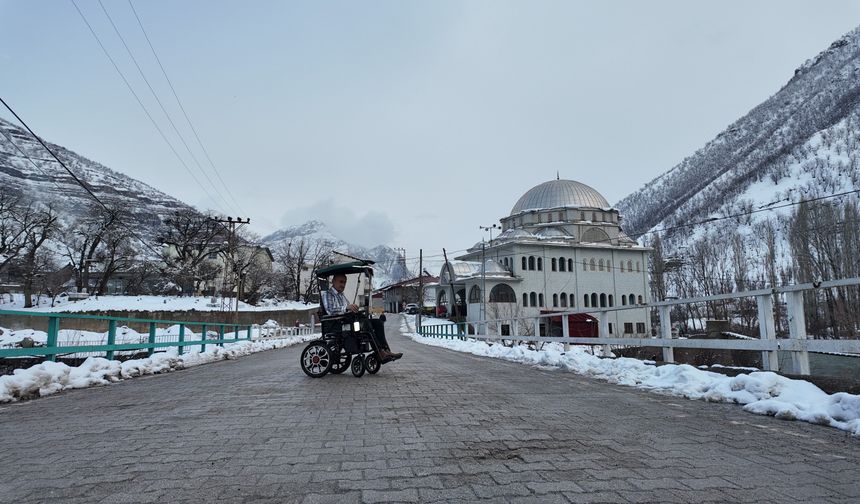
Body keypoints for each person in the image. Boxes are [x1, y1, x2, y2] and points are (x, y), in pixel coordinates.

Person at [321, 273, 402, 361]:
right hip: (336, 324)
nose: (343, 284)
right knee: (365, 324)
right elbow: (330, 310)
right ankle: (380, 352)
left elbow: (347, 309)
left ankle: (385, 350)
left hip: (346, 322)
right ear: (333, 281)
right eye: (341, 282)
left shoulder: (341, 295)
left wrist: (353, 308)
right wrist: (347, 307)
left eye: (344, 282)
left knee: (377, 323)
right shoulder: (328, 294)